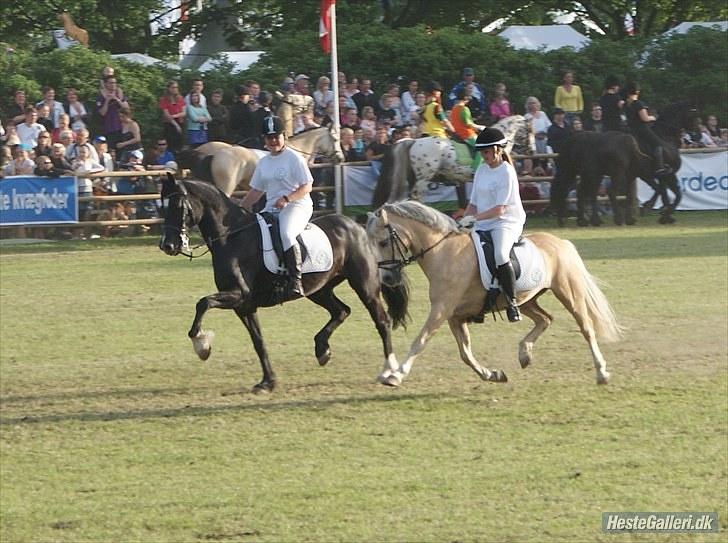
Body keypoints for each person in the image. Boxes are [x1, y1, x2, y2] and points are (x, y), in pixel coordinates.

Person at [240, 117, 313, 299]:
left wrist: (287, 198)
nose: (273, 141)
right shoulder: (264, 162)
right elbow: (256, 190)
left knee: (287, 233)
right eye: (269, 137)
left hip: (297, 205)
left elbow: (307, 186)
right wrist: (241, 208)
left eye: (276, 137)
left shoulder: (294, 158)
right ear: (264, 140)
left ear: (284, 136)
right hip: (271, 208)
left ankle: (296, 281)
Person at [460, 127, 525, 322]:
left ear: (497, 149)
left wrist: (474, 218)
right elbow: (473, 203)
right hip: (482, 221)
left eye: (486, 152)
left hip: (505, 222)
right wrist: (463, 220)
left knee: (500, 254)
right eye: (482, 152)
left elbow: (500, 209)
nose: (483, 156)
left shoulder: (507, 172)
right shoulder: (481, 169)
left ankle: (512, 302)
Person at [624, 82, 671, 176]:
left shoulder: (626, 104)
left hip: (631, 130)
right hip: (642, 129)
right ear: (637, 91)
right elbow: (644, 118)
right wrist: (653, 117)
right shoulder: (638, 103)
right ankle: (659, 167)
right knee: (657, 144)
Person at [95, 75, 129, 149]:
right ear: (106, 84)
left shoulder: (120, 94)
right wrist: (107, 100)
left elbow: (127, 109)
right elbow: (102, 113)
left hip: (121, 127)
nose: (113, 85)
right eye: (111, 83)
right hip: (108, 128)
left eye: (114, 83)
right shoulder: (100, 96)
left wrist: (117, 99)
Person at [159, 80, 186, 153]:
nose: (175, 89)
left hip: (180, 121)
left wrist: (174, 116)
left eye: (176, 87)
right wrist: (175, 125)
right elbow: (166, 114)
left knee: (180, 144)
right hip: (169, 124)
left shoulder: (180, 98)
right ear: (168, 88)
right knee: (171, 144)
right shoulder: (164, 99)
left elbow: (184, 112)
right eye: (173, 87)